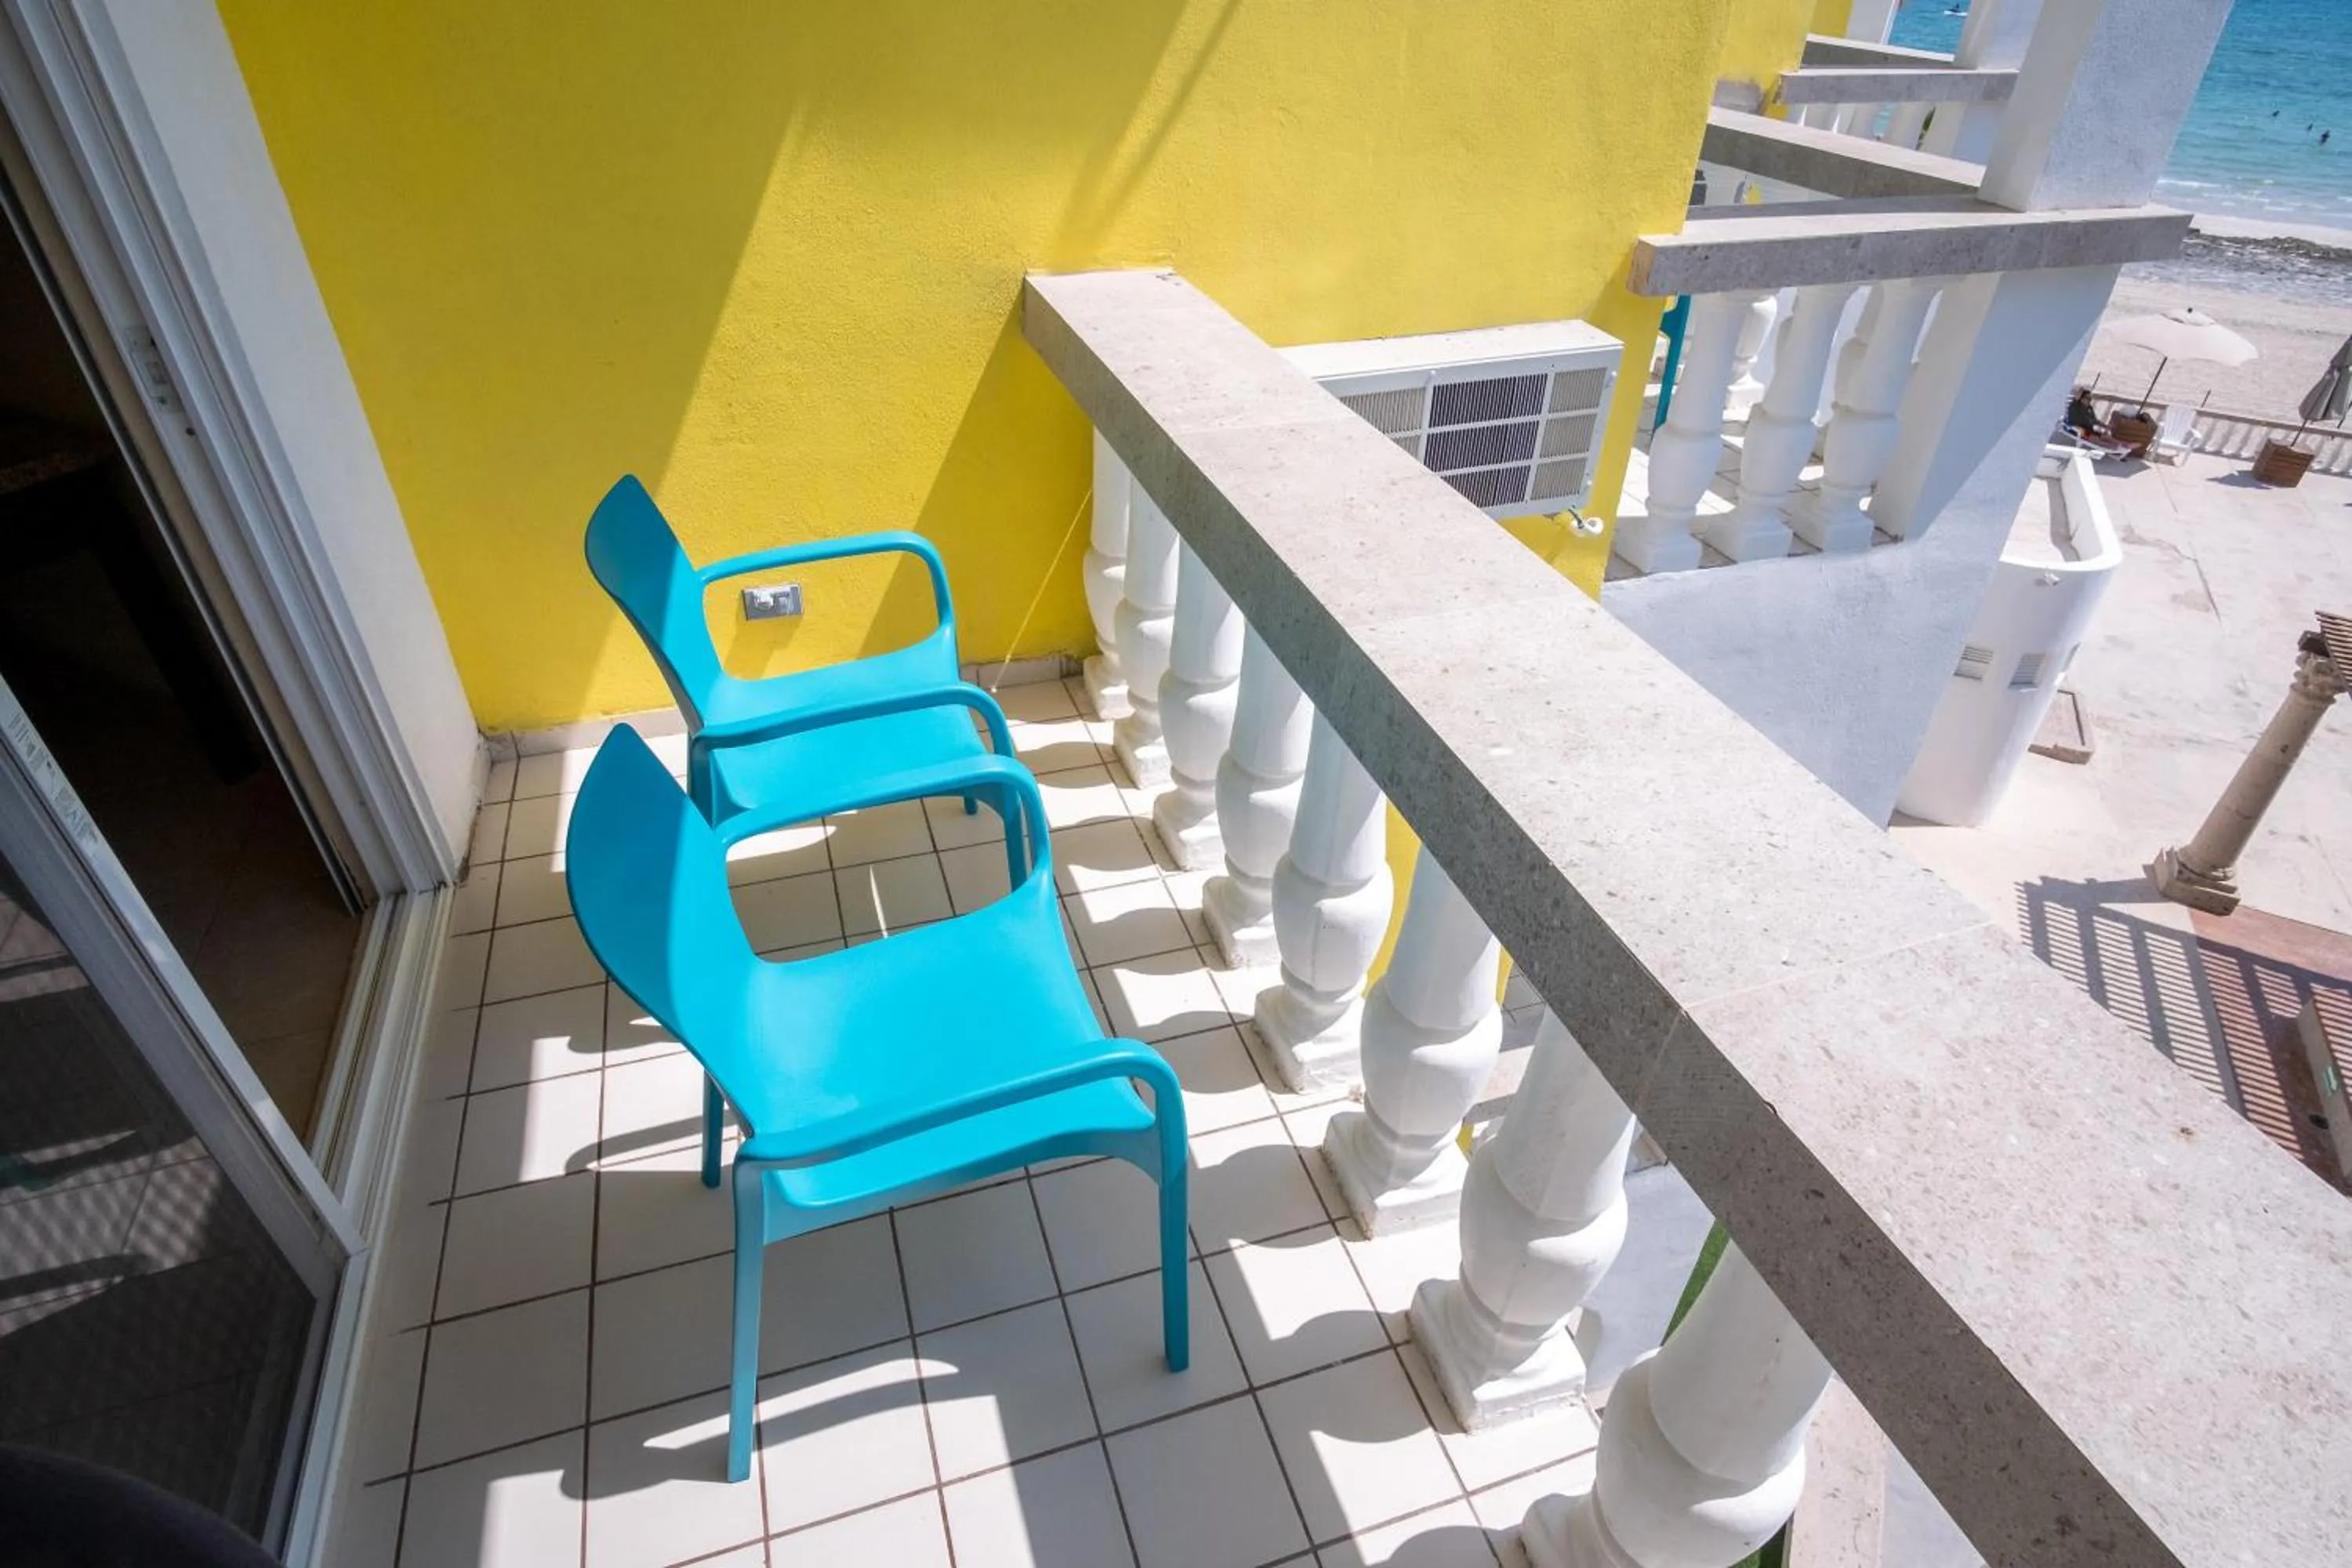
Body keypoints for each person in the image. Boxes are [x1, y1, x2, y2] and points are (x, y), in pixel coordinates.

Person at [2062, 386, 2134, 456]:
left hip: (2088, 429)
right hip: (2077, 429)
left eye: (2090, 399)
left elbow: (2095, 421)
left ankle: (2123, 445)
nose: (2089, 400)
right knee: (2097, 439)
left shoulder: (2089, 408)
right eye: (2087, 398)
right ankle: (2114, 447)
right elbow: (2078, 394)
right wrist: (2083, 389)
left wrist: (2106, 426)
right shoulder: (2075, 405)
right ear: (2081, 398)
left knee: (2105, 436)